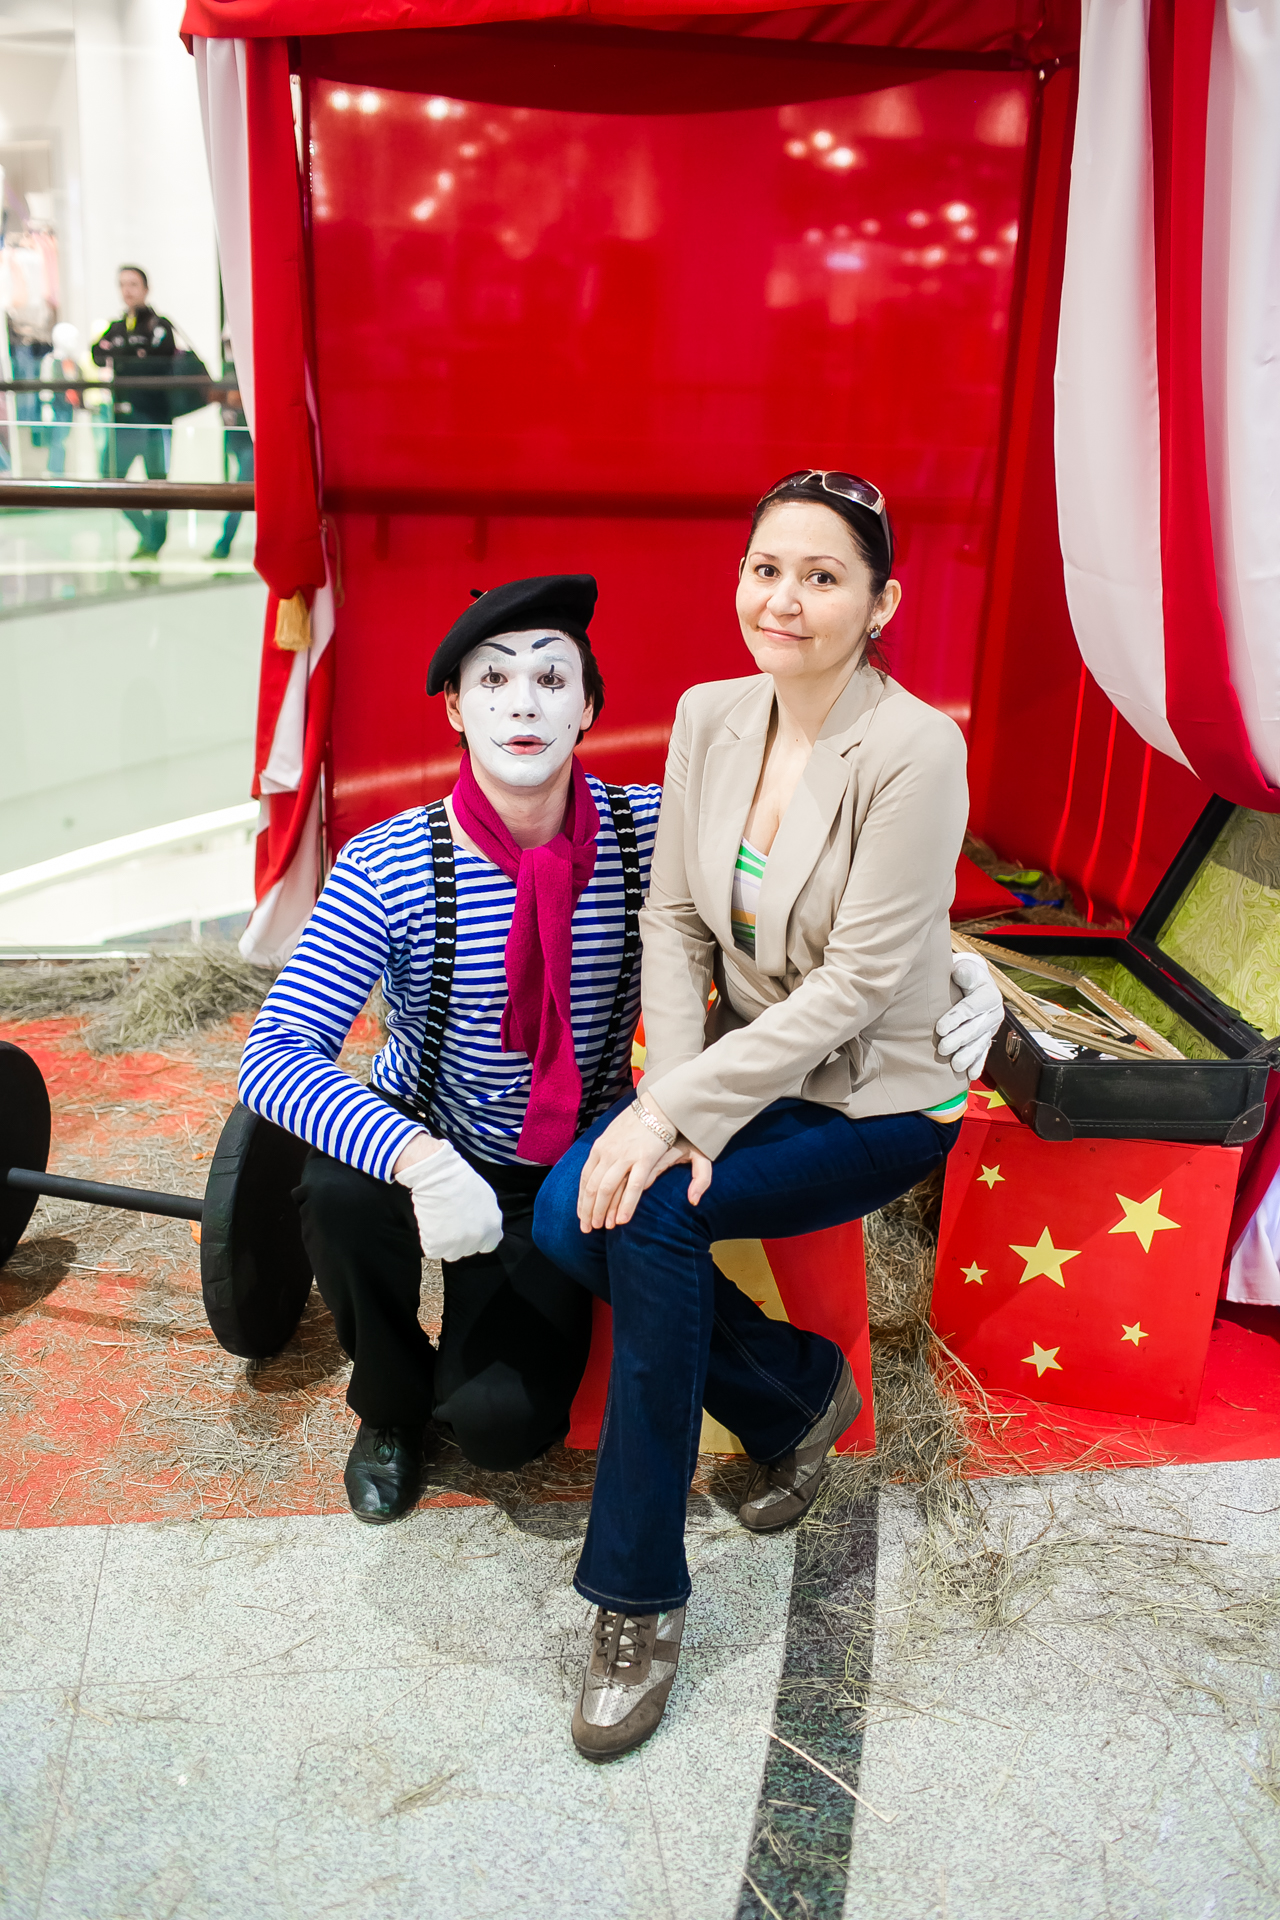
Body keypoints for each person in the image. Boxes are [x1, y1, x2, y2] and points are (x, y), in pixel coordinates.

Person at [236, 568, 1001, 1532]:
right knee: (338, 1193)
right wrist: (418, 1159)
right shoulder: (386, 862)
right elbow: (272, 1055)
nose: (524, 704)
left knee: (504, 1429)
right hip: (427, 1138)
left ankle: (496, 1376)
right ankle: (387, 1406)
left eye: (552, 680)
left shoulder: (650, 835)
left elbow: (819, 904)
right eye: (493, 680)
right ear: (455, 711)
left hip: (566, 1165)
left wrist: (954, 968)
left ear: (589, 708)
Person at [532, 469, 990, 1762]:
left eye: (822, 577)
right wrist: (673, 1107)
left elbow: (856, 987)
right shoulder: (710, 714)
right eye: (766, 568)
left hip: (874, 1094)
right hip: (741, 1072)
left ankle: (636, 1600)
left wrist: (676, 1114)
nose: (783, 599)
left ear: (879, 603)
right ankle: (794, 1396)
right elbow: (674, 923)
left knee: (650, 1220)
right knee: (569, 1218)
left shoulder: (914, 749)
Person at [91, 265, 176, 560]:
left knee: (157, 484)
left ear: (145, 289)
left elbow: (159, 360)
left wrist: (121, 354)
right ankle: (149, 535)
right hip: (123, 421)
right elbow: (97, 354)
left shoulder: (159, 324)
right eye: (122, 284)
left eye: (133, 284)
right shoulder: (116, 326)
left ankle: (154, 543)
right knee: (108, 481)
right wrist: (133, 352)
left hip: (154, 419)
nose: (127, 290)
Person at [208, 333, 252, 562]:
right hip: (235, 441)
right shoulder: (229, 371)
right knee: (241, 490)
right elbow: (216, 397)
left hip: (250, 443)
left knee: (240, 491)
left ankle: (224, 544)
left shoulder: (249, 371)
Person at [40, 322, 81, 477]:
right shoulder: (50, 361)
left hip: (68, 406)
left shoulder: (71, 361)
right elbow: (45, 384)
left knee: (64, 440)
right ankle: (55, 471)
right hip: (56, 406)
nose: (75, 343)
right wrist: (46, 406)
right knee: (58, 441)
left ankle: (60, 470)